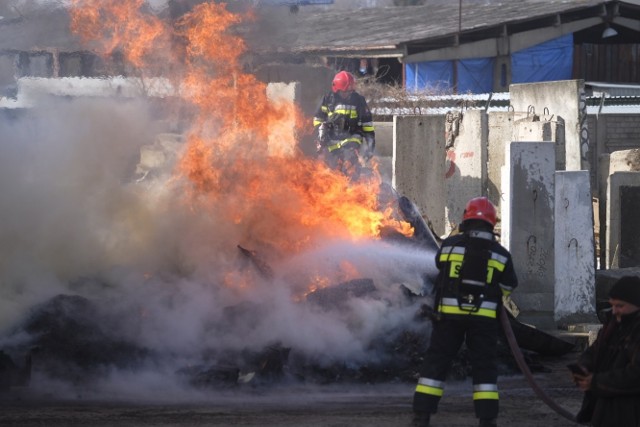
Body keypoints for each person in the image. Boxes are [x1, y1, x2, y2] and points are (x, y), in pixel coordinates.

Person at [412, 197, 518, 427]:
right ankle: (487, 420)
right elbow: (509, 285)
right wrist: (491, 295)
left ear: (466, 219)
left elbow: (440, 266)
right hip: (484, 321)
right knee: (485, 369)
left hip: (448, 318)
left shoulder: (450, 246)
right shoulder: (501, 254)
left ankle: (421, 417)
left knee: (436, 364)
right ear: (492, 223)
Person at [572, 275, 640, 427]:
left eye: (620, 306)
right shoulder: (613, 325)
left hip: (631, 413)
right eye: (613, 305)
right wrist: (583, 367)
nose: (615, 311)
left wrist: (596, 382)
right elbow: (596, 349)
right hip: (605, 408)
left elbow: (636, 375)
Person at [313, 70, 375, 175]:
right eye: (344, 92)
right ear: (336, 89)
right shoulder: (328, 99)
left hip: (352, 143)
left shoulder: (359, 100)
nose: (347, 94)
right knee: (329, 176)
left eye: (350, 91)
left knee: (351, 173)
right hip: (331, 144)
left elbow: (367, 126)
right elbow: (318, 119)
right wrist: (321, 135)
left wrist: (370, 147)